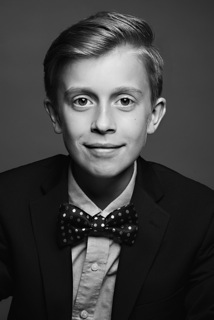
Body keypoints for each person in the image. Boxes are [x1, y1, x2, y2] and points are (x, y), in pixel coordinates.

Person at [0, 11, 214, 320]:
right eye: (82, 101)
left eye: (124, 101)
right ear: (55, 115)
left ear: (153, 115)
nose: (102, 124)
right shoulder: (8, 199)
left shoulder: (202, 216)